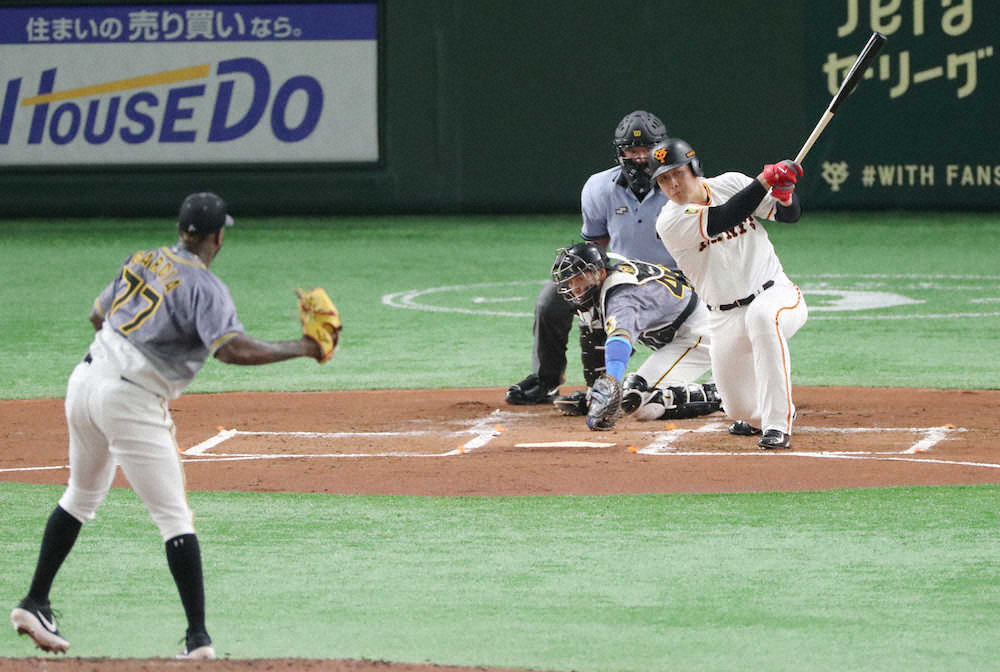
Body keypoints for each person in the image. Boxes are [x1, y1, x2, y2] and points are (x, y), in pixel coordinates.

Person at [10, 192, 331, 659]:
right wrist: (304, 348)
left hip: (84, 382)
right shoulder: (206, 288)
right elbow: (230, 350)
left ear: (182, 229)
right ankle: (199, 640)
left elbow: (97, 316)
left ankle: (35, 601)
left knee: (80, 496)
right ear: (219, 237)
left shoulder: (143, 258)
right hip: (129, 400)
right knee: (174, 517)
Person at [506, 110, 685, 410]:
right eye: (632, 150)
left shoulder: (681, 185)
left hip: (675, 280)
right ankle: (548, 380)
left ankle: (609, 389)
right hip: (618, 274)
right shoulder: (598, 188)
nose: (640, 157)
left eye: (647, 150)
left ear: (662, 150)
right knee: (553, 300)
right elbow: (596, 246)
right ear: (620, 152)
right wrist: (589, 285)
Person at [648, 138, 808, 449]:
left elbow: (789, 216)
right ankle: (761, 413)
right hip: (723, 317)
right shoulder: (669, 222)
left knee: (763, 318)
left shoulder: (732, 182)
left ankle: (778, 424)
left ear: (694, 168)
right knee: (740, 411)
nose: (672, 184)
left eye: (676, 173)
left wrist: (786, 195)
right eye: (663, 179)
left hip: (776, 294)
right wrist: (765, 181)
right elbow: (724, 217)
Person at [550, 242, 719, 430]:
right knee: (633, 395)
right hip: (686, 335)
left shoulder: (621, 296)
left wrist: (610, 386)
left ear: (600, 273)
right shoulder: (604, 287)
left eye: (580, 278)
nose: (576, 287)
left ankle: (718, 393)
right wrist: (596, 391)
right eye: (571, 281)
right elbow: (596, 338)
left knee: (641, 402)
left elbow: (619, 342)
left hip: (698, 335)